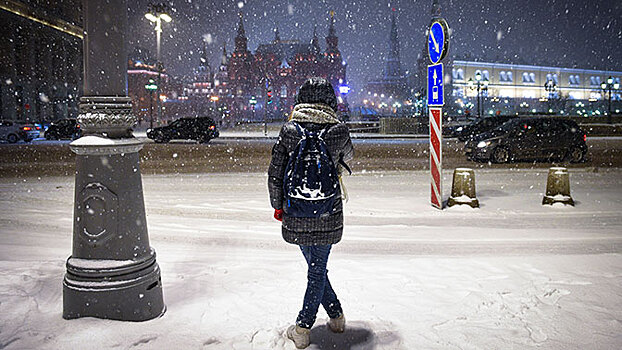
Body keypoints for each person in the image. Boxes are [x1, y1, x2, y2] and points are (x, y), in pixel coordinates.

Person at [268, 77, 354, 349]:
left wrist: (277, 206)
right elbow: (349, 158)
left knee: (315, 268)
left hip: (296, 209)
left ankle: (303, 327)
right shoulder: (338, 131)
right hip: (327, 210)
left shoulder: (290, 130)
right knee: (317, 268)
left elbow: (274, 174)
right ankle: (336, 316)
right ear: (331, 101)